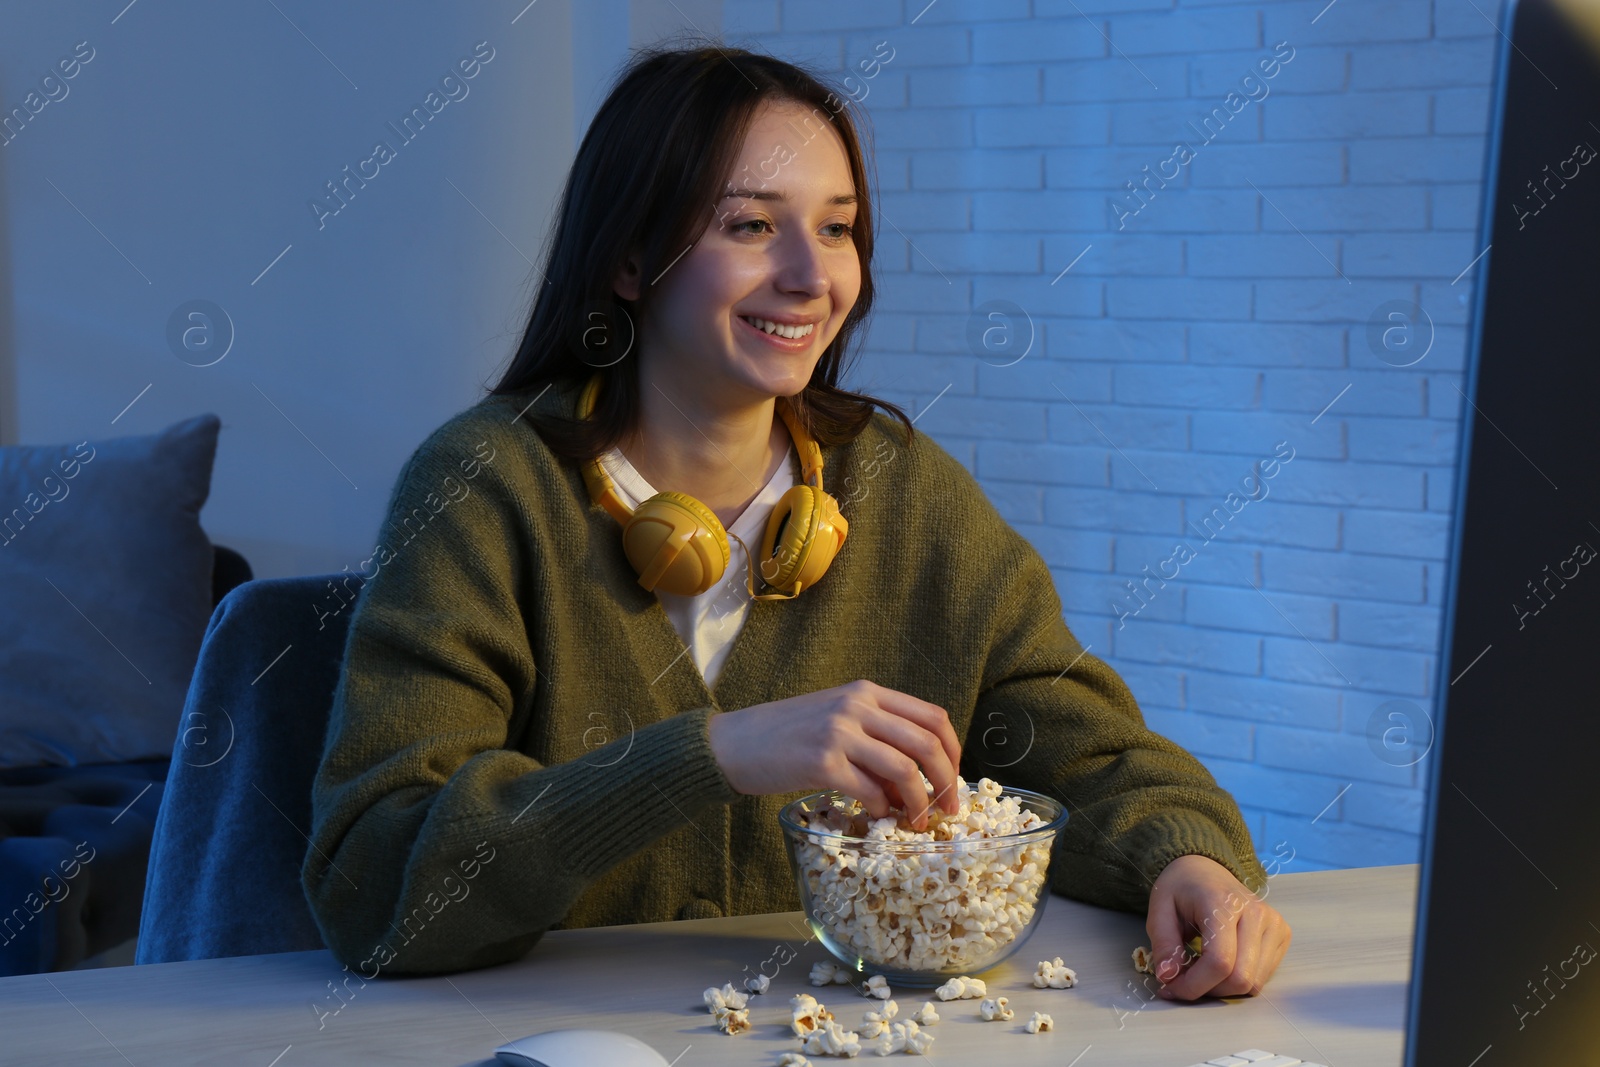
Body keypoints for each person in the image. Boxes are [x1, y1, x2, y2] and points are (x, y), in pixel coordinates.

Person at [302, 41, 1290, 999]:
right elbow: (375, 888)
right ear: (630, 259)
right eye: (748, 226)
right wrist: (714, 751)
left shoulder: (901, 488)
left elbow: (1097, 759)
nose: (810, 276)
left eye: (836, 227)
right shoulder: (483, 487)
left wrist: (1190, 857)